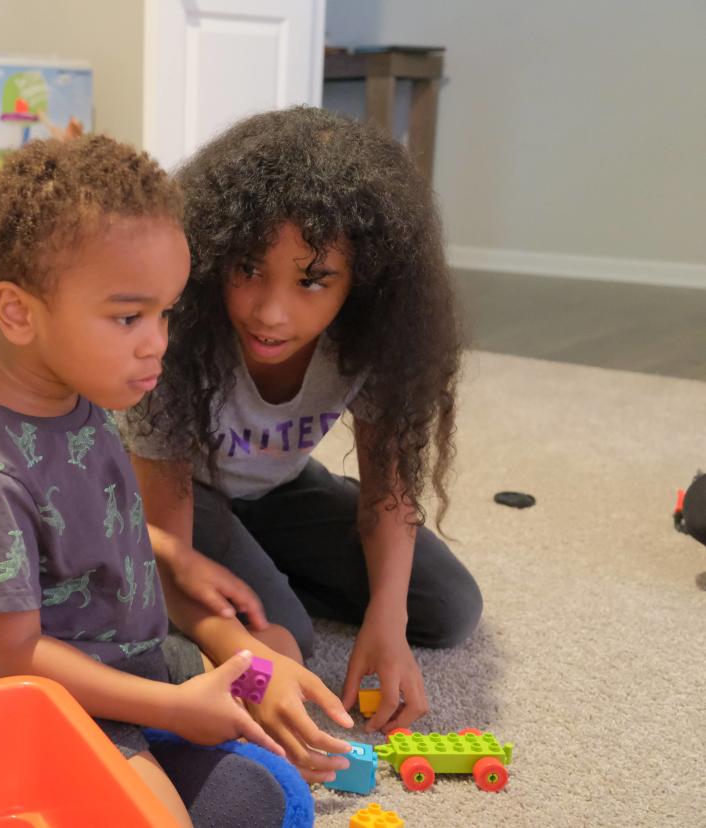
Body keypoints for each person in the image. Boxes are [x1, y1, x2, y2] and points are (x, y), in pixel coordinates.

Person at [0, 134, 353, 824]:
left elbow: (79, 519)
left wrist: (171, 551)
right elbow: (16, 656)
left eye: (166, 313)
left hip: (131, 670)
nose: (157, 341)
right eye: (128, 316)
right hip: (38, 706)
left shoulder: (81, 397)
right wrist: (177, 709)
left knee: (271, 797)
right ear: (17, 312)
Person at [125, 107, 483, 735]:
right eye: (248, 269)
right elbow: (173, 549)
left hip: (280, 488)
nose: (271, 312)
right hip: (181, 498)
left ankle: (264, 566)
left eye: (313, 280)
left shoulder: (371, 339)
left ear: (363, 281)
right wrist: (252, 652)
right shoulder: (175, 335)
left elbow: (388, 493)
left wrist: (387, 619)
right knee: (284, 635)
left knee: (447, 609)